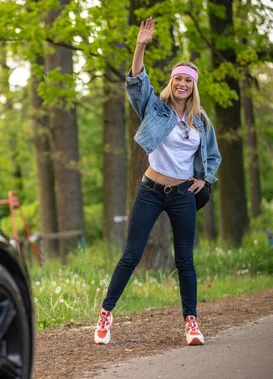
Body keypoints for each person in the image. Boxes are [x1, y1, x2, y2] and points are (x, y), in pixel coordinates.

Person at [94, 17, 222, 346]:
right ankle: (106, 314)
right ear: (172, 81)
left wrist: (204, 179)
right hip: (150, 191)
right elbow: (136, 82)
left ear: (194, 86)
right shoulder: (155, 108)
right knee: (132, 255)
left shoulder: (201, 120)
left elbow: (212, 157)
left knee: (185, 260)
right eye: (178, 78)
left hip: (182, 195)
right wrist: (139, 46)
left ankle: (191, 323)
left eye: (187, 81)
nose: (182, 84)